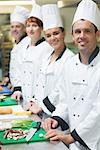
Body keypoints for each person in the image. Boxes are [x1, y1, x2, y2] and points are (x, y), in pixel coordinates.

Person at [42, 0, 100, 150]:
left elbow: (98, 111)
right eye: (77, 31)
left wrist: (72, 137)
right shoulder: (70, 65)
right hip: (74, 143)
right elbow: (65, 100)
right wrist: (56, 119)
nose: (81, 36)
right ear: (73, 35)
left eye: (87, 31)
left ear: (97, 34)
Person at [25, 4, 74, 115]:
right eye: (48, 35)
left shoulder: (69, 58)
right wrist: (33, 101)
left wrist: (42, 106)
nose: (52, 38)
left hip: (57, 115)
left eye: (56, 33)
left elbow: (61, 89)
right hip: (40, 112)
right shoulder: (47, 57)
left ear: (64, 33)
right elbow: (39, 82)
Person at [11, 3, 53, 105]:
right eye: (28, 26)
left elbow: (45, 80)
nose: (31, 29)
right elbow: (19, 71)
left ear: (41, 28)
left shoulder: (47, 48)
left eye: (34, 26)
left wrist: (36, 100)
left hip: (39, 101)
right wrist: (18, 89)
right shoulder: (24, 48)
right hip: (25, 98)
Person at [1, 6, 29, 86]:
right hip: (16, 89)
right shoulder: (17, 44)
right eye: (12, 27)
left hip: (23, 90)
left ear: (24, 29)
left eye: (18, 26)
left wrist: (18, 88)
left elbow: (26, 71)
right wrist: (8, 78)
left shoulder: (28, 44)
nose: (14, 29)